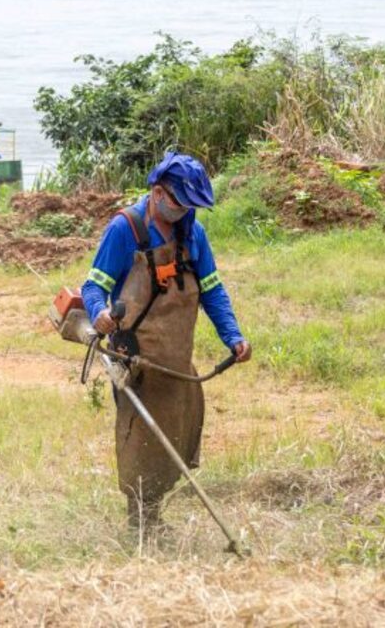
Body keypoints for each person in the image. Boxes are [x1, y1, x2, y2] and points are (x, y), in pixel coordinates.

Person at [81, 152, 251, 529]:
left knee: (176, 435)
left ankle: (153, 513)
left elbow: (212, 291)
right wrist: (100, 314)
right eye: (180, 203)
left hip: (175, 358)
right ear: (158, 193)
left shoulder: (193, 233)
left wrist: (233, 336)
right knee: (142, 440)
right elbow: (94, 286)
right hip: (136, 358)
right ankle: (141, 520)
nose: (186, 211)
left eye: (192, 205)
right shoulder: (125, 229)